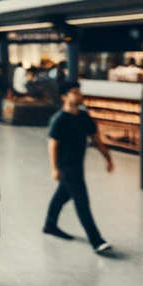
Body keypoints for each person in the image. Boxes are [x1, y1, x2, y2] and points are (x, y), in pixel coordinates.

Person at [44, 82, 113, 253]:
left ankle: (50, 225)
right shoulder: (59, 119)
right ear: (64, 97)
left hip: (78, 164)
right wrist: (54, 168)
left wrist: (107, 158)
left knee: (62, 195)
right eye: (74, 92)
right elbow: (53, 145)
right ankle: (96, 241)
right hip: (66, 167)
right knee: (82, 202)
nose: (78, 95)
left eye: (79, 92)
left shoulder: (84, 117)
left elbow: (96, 139)